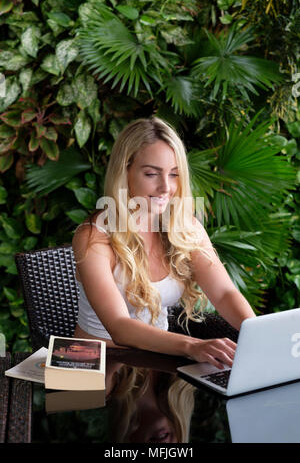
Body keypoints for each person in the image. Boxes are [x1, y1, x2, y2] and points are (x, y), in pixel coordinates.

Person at [72, 117, 255, 369]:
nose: (165, 187)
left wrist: (256, 333)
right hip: (93, 366)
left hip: (156, 363)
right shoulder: (93, 236)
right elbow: (119, 327)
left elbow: (224, 294)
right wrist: (192, 346)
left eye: (174, 174)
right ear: (124, 171)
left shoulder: (184, 227)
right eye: (151, 174)